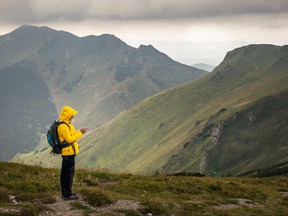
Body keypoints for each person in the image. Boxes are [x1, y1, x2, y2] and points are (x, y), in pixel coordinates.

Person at [57, 106, 88, 200]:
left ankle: (66, 192)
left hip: (70, 151)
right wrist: (81, 133)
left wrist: (79, 131)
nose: (73, 117)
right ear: (68, 116)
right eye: (71, 115)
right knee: (68, 173)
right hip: (67, 153)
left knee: (66, 172)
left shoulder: (67, 124)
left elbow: (71, 134)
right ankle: (67, 195)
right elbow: (69, 139)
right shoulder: (63, 126)